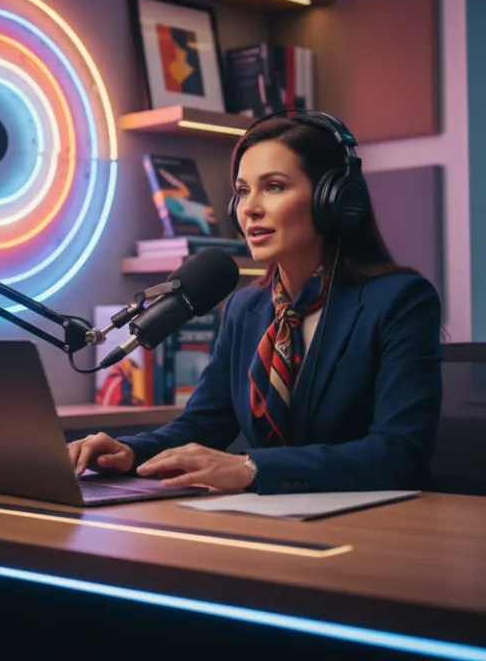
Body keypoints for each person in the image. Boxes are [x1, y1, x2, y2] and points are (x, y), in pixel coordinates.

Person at [68, 111, 443, 494]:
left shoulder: (400, 300)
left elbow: (401, 453)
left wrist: (252, 467)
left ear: (333, 199)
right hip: (267, 519)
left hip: (377, 523)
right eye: (243, 191)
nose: (249, 208)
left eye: (274, 187)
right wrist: (129, 451)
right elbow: (202, 425)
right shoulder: (245, 309)